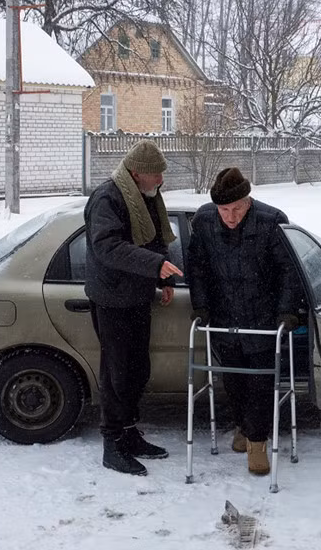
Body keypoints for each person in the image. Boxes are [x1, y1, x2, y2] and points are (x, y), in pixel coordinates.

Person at [187, 167, 301, 476]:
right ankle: (244, 426)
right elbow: (196, 267)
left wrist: (285, 311)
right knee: (233, 382)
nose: (231, 216)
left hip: (262, 317)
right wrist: (201, 305)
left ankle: (257, 442)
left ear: (248, 200)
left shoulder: (271, 221)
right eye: (224, 209)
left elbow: (288, 271)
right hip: (225, 317)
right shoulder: (205, 220)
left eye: (237, 208)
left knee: (261, 382)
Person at [84, 139, 183, 476]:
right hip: (112, 299)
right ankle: (112, 444)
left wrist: (164, 279)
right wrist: (155, 266)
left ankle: (128, 432)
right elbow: (108, 247)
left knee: (137, 369)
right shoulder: (108, 198)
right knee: (116, 373)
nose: (161, 181)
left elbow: (156, 240)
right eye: (156, 175)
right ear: (138, 172)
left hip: (138, 297)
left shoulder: (145, 197)